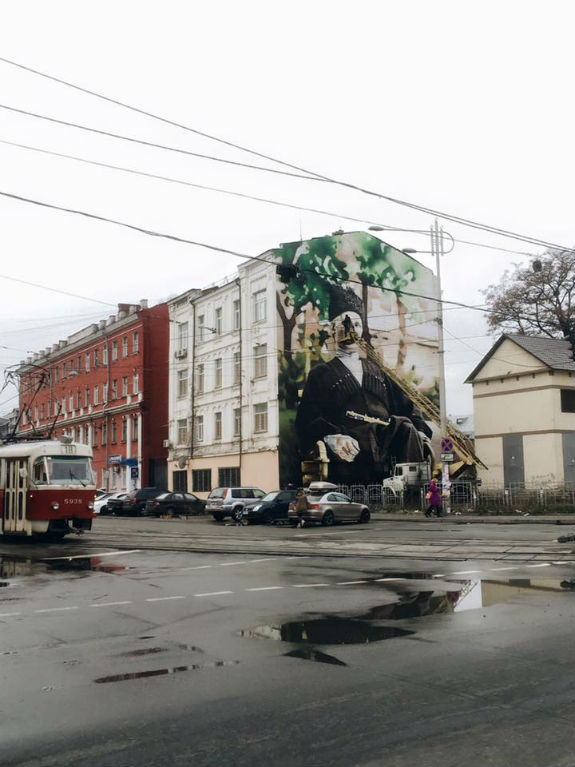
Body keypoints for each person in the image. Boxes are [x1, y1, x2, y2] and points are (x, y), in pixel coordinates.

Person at [295, 285, 432, 485]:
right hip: (351, 442)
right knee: (372, 435)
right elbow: (307, 420)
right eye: (345, 324)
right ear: (332, 329)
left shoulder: (377, 370)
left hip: (385, 438)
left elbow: (408, 406)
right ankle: (385, 490)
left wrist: (419, 431)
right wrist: (333, 437)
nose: (351, 330)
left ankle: (411, 493)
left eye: (357, 325)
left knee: (405, 426)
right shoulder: (320, 375)